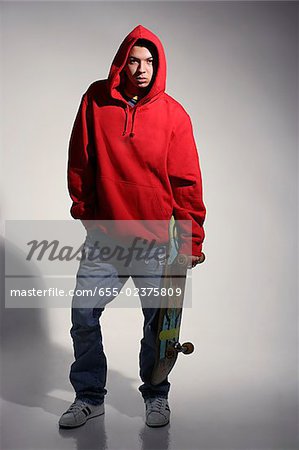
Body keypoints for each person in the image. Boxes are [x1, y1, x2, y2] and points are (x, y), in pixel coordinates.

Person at [59, 24, 206, 429]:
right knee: (83, 316)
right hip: (105, 238)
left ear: (158, 65)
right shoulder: (96, 100)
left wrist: (192, 239)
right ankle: (89, 397)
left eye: (150, 61)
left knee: (159, 327)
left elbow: (186, 183)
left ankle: (156, 395)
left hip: (156, 240)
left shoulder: (174, 115)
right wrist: (87, 214)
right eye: (135, 60)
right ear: (122, 62)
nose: (142, 69)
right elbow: (80, 160)